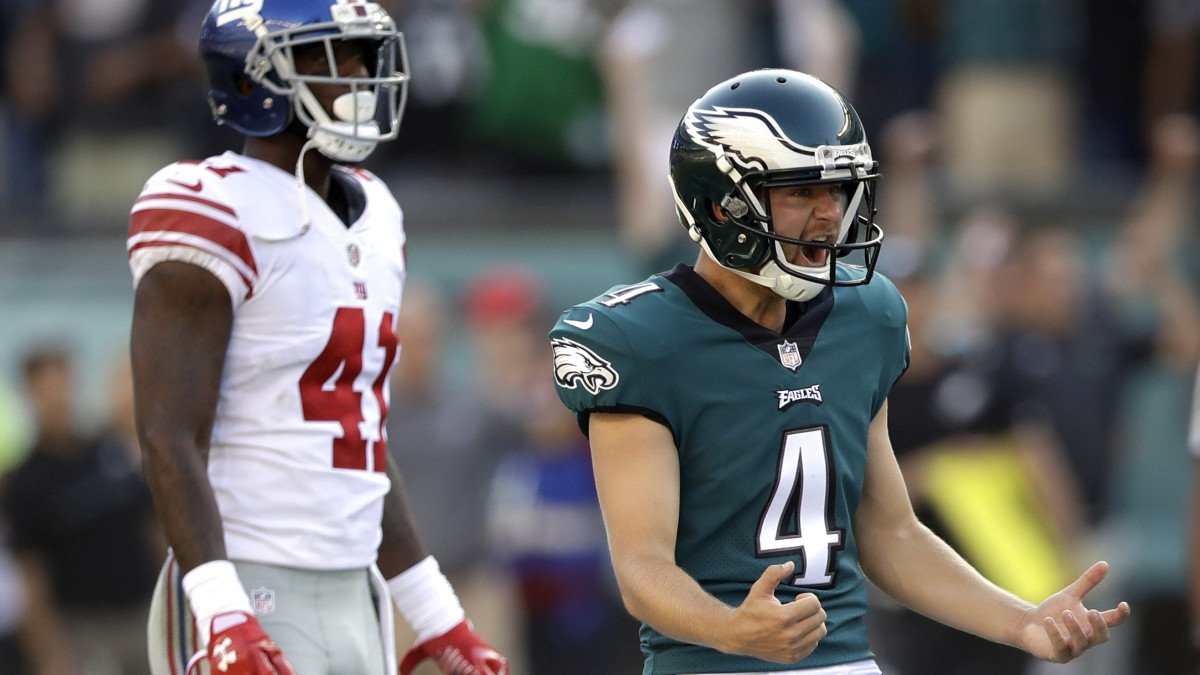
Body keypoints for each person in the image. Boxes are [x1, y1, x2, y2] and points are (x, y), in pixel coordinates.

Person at [549, 68, 1131, 674]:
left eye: (838, 188)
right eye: (801, 191)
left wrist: (1021, 620)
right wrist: (732, 630)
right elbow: (641, 568)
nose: (830, 213)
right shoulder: (639, 339)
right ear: (720, 205)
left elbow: (890, 532)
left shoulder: (866, 315)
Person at [126, 1, 507, 674]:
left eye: (362, 55)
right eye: (330, 57)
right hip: (246, 577)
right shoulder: (209, 205)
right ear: (253, 78)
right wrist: (222, 608)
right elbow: (168, 434)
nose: (359, 75)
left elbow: (356, 444)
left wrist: (438, 614)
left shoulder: (377, 214)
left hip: (354, 588)